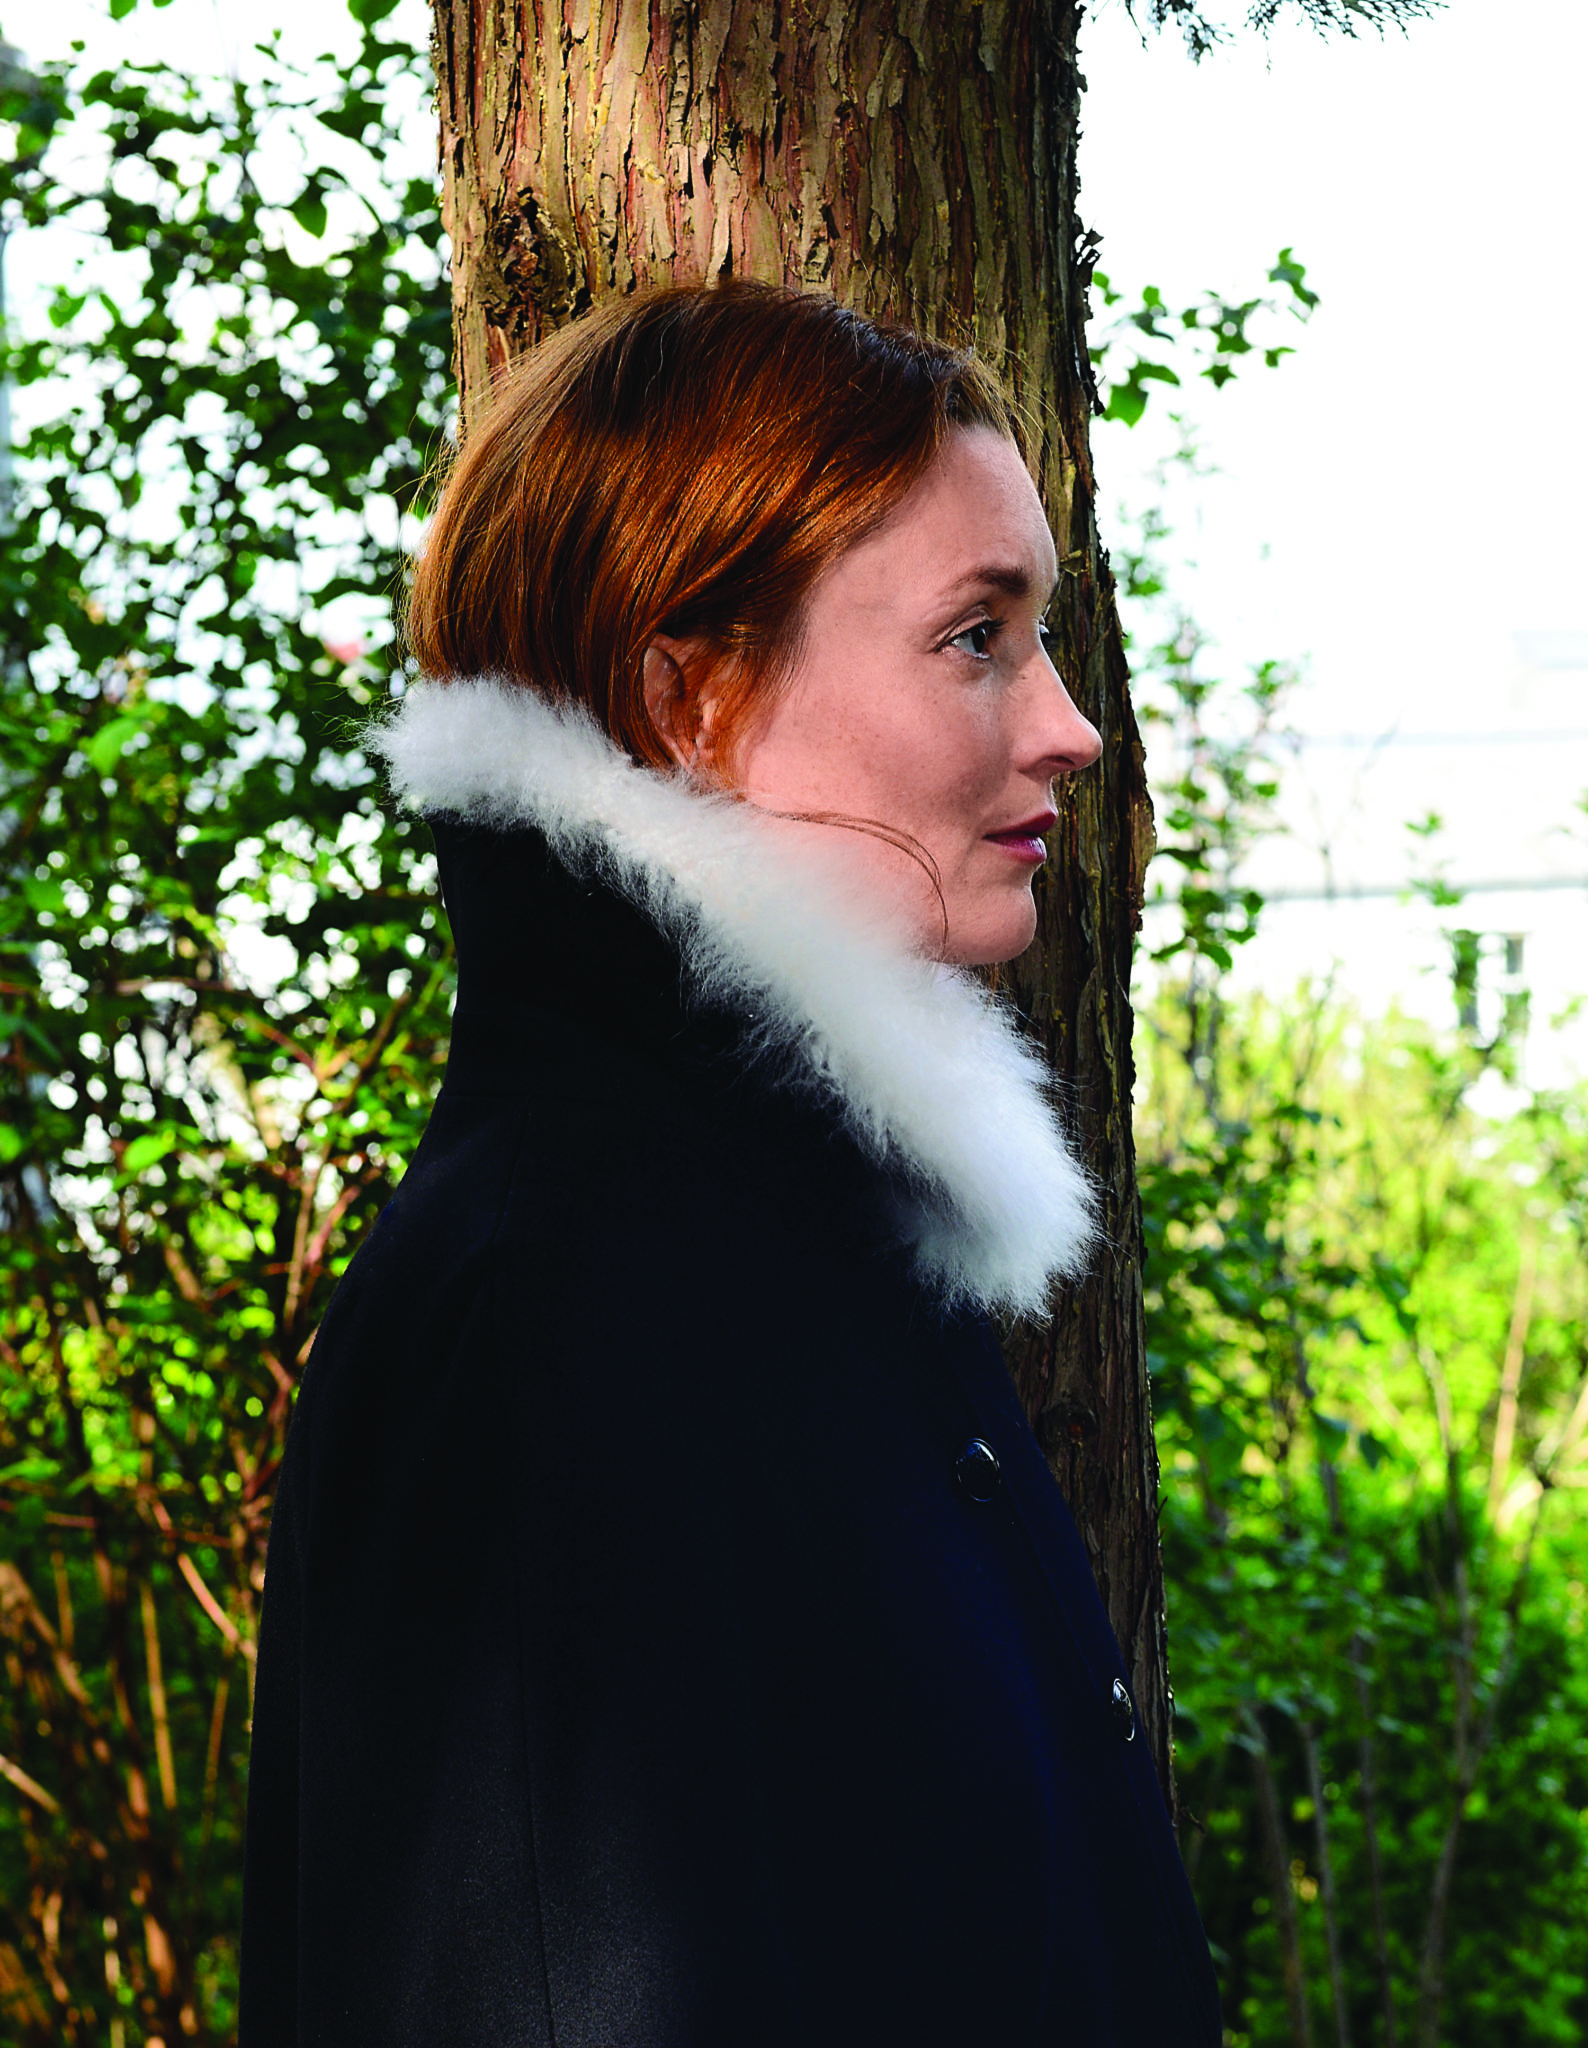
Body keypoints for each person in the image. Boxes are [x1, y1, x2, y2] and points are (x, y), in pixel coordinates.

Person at [238, 281, 1222, 2047]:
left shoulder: (785, 1249)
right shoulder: (560, 1312)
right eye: (975, 637)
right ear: (688, 700)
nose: (1070, 726)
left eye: (1040, 635)